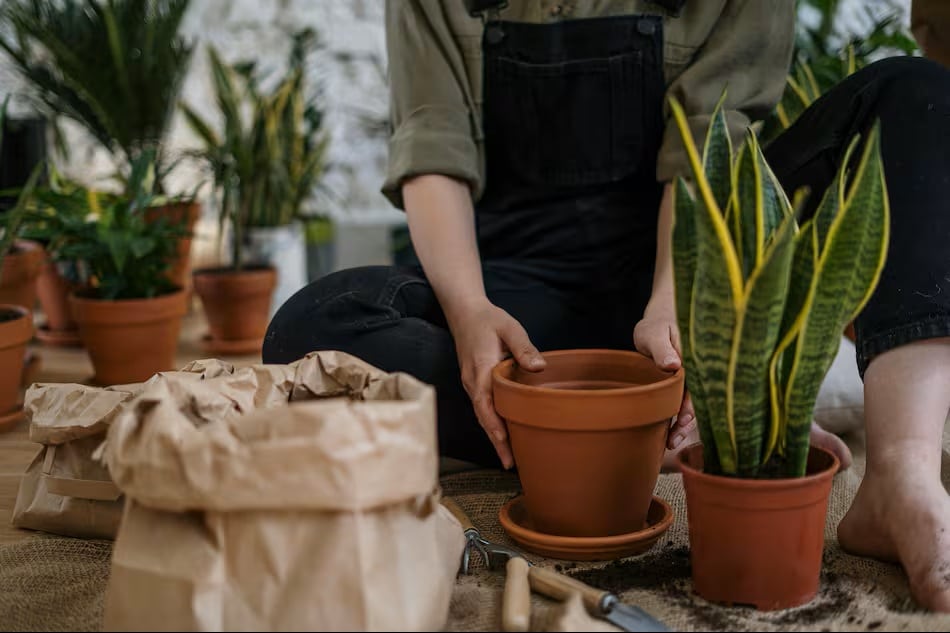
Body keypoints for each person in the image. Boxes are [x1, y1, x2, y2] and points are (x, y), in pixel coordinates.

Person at [263, 0, 950, 612]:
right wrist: (471, 310)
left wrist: (672, 306)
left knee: (915, 93)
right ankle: (644, 427)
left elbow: (712, 144)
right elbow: (432, 145)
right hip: (518, 306)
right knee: (311, 328)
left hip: (700, 267)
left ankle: (900, 476)